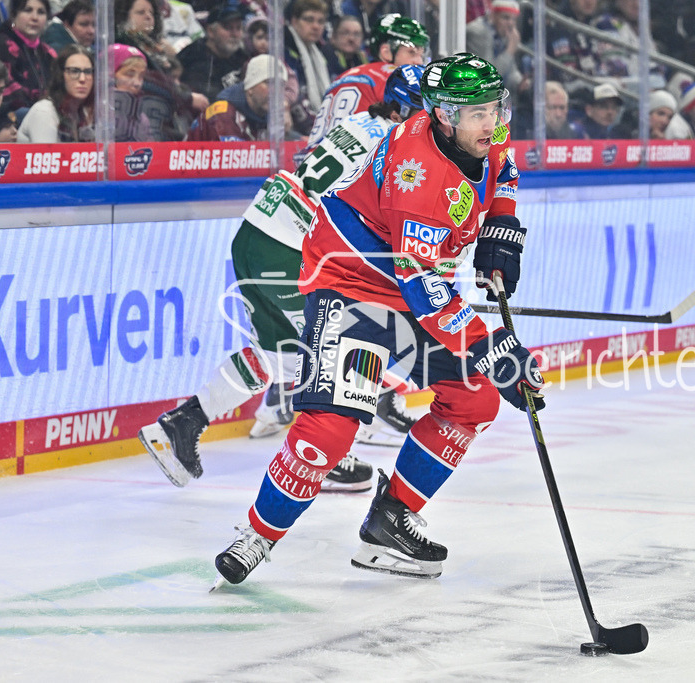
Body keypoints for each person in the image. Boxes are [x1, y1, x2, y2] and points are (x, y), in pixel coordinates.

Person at [210, 53, 544, 585]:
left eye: (494, 108)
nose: (492, 122)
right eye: (477, 112)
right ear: (442, 114)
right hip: (355, 287)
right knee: (330, 430)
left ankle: (389, 519)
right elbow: (426, 293)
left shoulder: (480, 134)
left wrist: (502, 228)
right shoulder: (419, 174)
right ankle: (258, 536)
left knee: (473, 399)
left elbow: (504, 169)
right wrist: (496, 347)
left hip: (410, 283)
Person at [139, 63, 429, 495]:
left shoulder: (358, 122)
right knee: (334, 347)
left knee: (281, 357)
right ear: (408, 108)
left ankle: (180, 426)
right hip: (292, 245)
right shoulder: (396, 144)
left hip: (258, 230)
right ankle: (324, 457)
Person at [306, 13, 427, 146]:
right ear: (386, 52)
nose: (419, 61)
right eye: (412, 53)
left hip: (317, 156)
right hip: (358, 158)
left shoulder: (350, 74)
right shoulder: (395, 79)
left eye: (421, 54)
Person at [115, 0, 208, 141]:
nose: (148, 17)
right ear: (124, 17)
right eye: (141, 12)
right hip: (142, 118)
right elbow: (147, 81)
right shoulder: (122, 44)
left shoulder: (153, 47)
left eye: (151, 12)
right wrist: (186, 97)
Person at [185, 53, 298, 142]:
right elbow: (234, 164)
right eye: (268, 83)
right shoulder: (223, 113)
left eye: (281, 85)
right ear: (250, 88)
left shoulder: (270, 113)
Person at [0, 0, 57, 114]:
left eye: (41, 12)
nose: (34, 18)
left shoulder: (48, 52)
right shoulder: (2, 44)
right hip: (7, 114)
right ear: (14, 15)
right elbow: (9, 92)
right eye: (27, 10)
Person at [16, 43, 93, 142]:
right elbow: (46, 156)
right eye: (74, 71)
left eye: (87, 72)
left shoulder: (83, 113)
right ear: (60, 75)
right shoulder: (45, 112)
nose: (82, 79)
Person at [177, 1, 248, 103]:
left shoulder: (241, 56)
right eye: (228, 28)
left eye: (238, 28)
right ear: (210, 31)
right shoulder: (194, 58)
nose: (235, 34)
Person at [283, 0, 332, 133]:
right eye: (309, 19)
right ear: (294, 21)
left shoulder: (321, 54)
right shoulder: (283, 50)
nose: (316, 26)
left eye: (321, 21)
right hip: (292, 129)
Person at [466, 0, 524, 94]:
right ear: (493, 16)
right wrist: (510, 50)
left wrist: (521, 82)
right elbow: (488, 76)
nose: (510, 23)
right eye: (506, 18)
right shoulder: (478, 32)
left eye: (514, 19)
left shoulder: (503, 33)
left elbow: (511, 70)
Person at [112, 43, 153, 142]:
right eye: (129, 74)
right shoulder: (91, 111)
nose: (137, 83)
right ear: (110, 75)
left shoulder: (142, 119)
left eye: (141, 76)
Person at [322, 14, 367, 79]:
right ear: (333, 36)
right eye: (345, 33)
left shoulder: (362, 60)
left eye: (356, 34)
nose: (351, 38)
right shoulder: (325, 58)